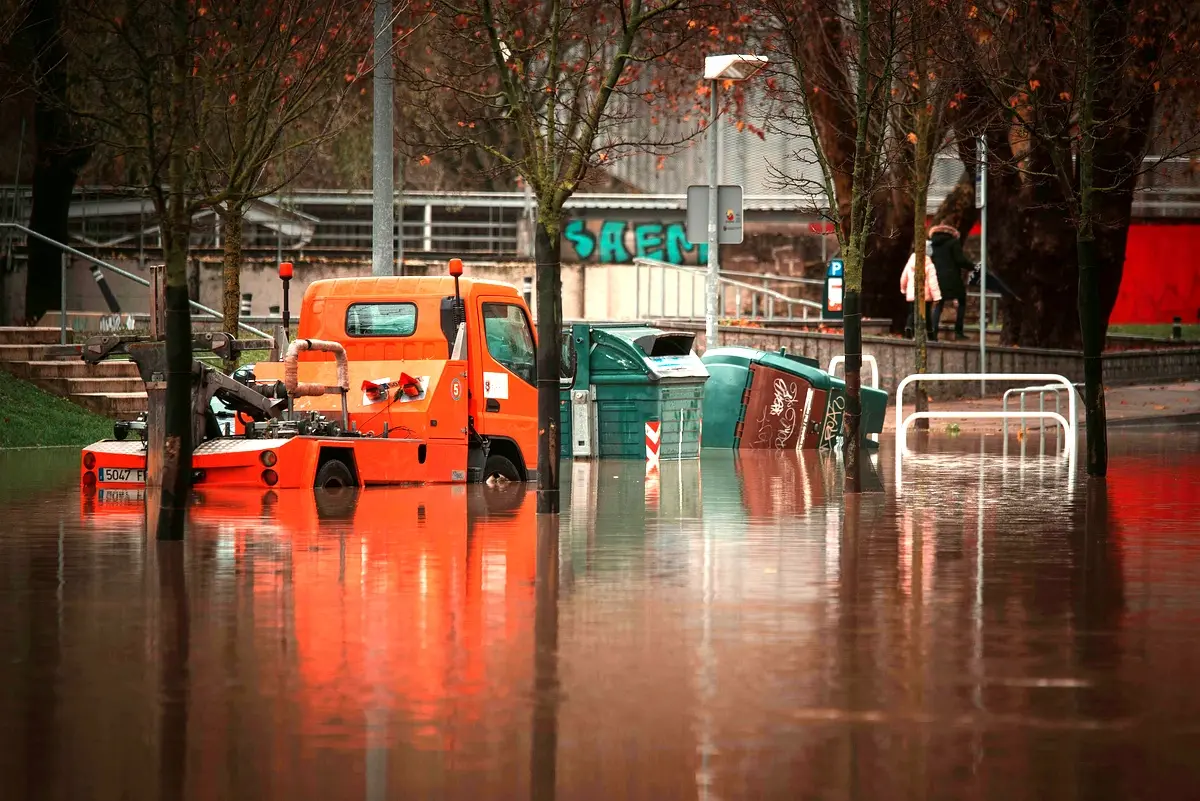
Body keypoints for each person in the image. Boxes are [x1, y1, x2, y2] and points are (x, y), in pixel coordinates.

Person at [928, 223, 974, 340]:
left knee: (939, 304)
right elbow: (960, 260)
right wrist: (972, 266)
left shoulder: (932, 244)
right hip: (952, 277)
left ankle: (933, 332)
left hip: (936, 277)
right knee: (961, 301)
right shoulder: (953, 242)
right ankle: (958, 332)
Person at [900, 240, 941, 340]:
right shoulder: (929, 265)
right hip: (925, 296)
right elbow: (933, 282)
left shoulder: (911, 262)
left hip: (912, 294)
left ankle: (909, 330)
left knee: (912, 313)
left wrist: (903, 289)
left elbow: (904, 277)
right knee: (926, 315)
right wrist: (937, 297)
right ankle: (930, 334)